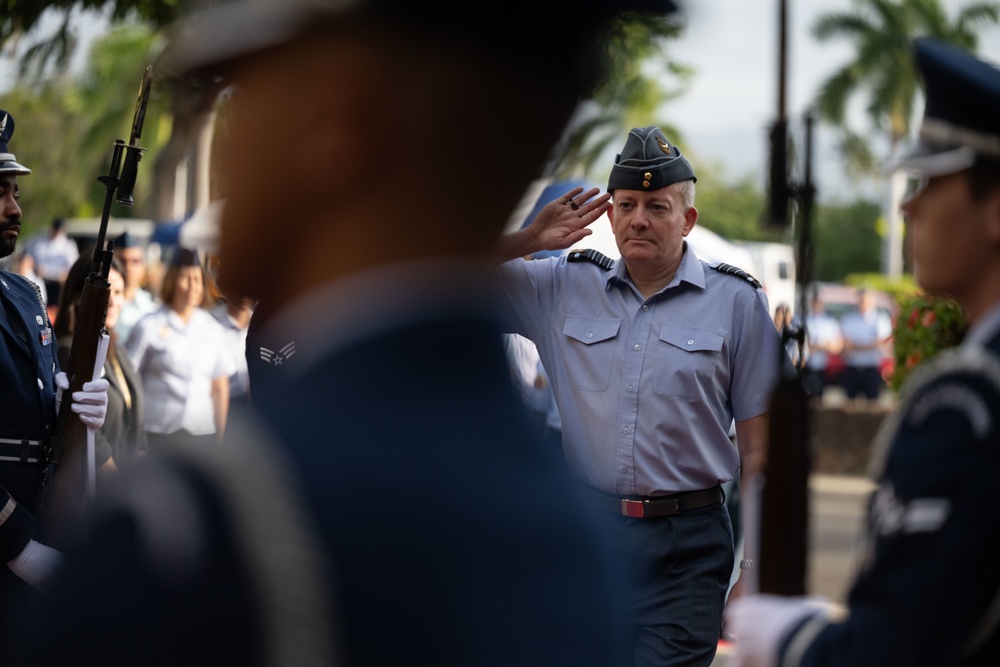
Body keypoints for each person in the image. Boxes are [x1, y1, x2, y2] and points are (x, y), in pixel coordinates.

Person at [8, 2, 680, 666]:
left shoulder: (189, 529)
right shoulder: (572, 531)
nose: (224, 148)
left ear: (338, 118)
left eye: (243, 97)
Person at [726, 37, 1000, 667]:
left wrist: (796, 641)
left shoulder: (965, 406)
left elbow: (899, 646)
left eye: (933, 180)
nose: (909, 205)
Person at [496, 125, 785, 666]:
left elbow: (762, 454)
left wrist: (755, 571)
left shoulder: (737, 303)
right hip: (590, 538)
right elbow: (440, 273)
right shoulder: (560, 287)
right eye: (626, 204)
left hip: (688, 547)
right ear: (608, 217)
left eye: (657, 206)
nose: (639, 219)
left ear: (688, 219)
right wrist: (529, 240)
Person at [0, 110, 108, 642]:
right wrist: (18, 546)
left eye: (14, 190)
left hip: (44, 532)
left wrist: (81, 418)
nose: (14, 207)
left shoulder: (24, 294)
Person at [125, 246, 233, 448]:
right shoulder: (149, 325)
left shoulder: (213, 328)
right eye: (186, 278)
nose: (193, 286)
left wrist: (221, 434)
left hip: (201, 431)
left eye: (197, 279)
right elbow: (130, 377)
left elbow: (220, 385)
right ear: (173, 281)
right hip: (158, 430)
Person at [54, 251, 146, 474]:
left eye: (119, 292)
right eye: (107, 290)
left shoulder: (116, 348)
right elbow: (85, 434)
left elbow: (136, 423)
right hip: (97, 489)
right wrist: (119, 487)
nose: (113, 301)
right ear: (78, 295)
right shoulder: (70, 350)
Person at [838, 288, 892, 402]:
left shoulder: (880, 319)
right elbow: (846, 344)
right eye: (861, 299)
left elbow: (881, 342)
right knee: (849, 407)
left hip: (871, 369)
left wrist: (857, 346)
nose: (863, 302)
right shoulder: (849, 319)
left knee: (872, 407)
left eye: (866, 300)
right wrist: (868, 345)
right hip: (852, 368)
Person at [112, 231, 158, 343]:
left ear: (143, 266)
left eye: (135, 261)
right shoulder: (100, 302)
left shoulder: (151, 309)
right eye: (122, 260)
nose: (128, 267)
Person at [25, 217, 78, 310]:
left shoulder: (68, 246)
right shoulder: (39, 241)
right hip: (40, 281)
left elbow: (73, 267)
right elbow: (28, 259)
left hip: (59, 284)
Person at [802, 291, 843, 398]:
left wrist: (816, 346)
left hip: (822, 367)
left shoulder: (830, 323)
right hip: (805, 366)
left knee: (819, 400)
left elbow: (837, 347)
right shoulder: (803, 319)